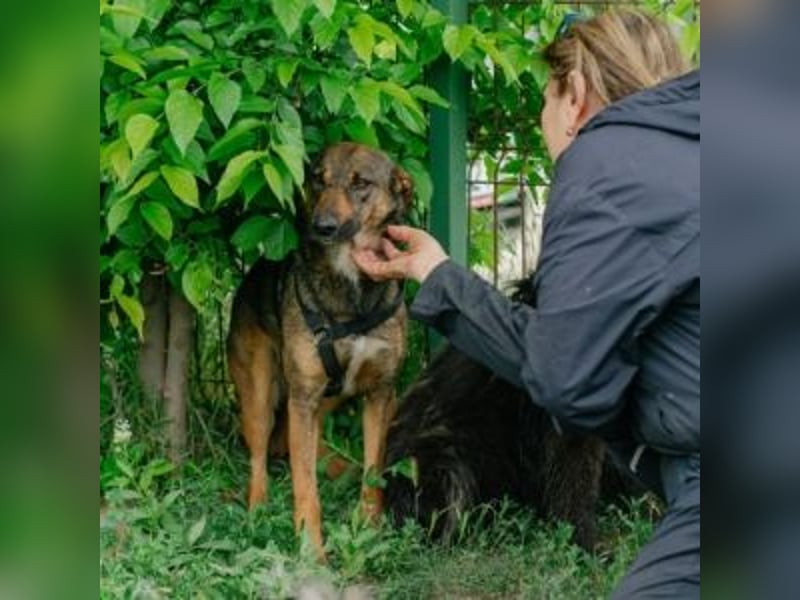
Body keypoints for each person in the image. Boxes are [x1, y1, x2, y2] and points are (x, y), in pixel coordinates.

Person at [352, 9, 700, 599]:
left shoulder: (604, 162)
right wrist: (436, 273)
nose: (543, 120)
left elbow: (569, 380)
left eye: (544, 100)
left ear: (576, 96)